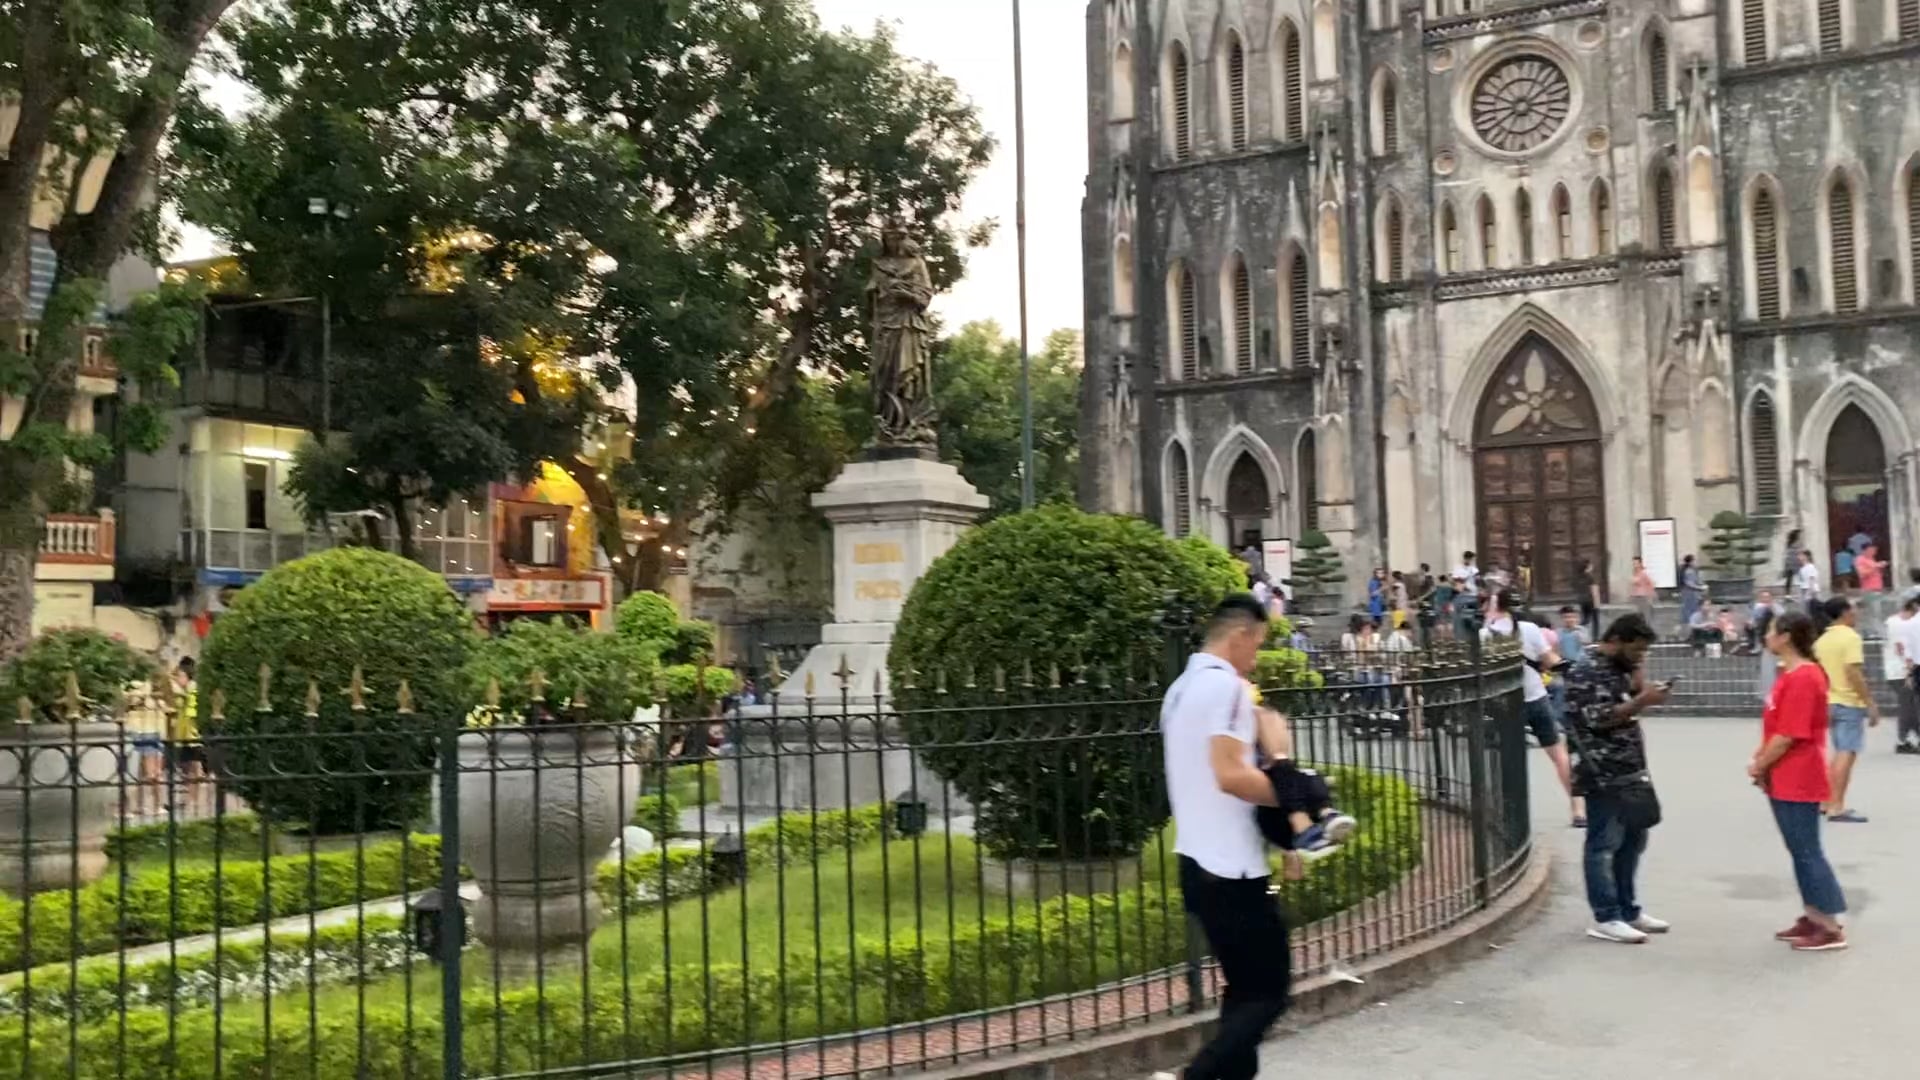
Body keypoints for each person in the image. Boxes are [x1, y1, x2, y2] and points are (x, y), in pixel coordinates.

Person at [1161, 594, 1297, 1080]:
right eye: (1256, 646)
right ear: (1240, 635)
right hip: (1231, 869)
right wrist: (1293, 790)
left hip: (1197, 862)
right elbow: (1230, 776)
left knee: (1243, 993)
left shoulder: (1179, 690)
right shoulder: (1227, 690)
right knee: (1268, 992)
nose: (1256, 658)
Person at [1561, 614, 1672, 944]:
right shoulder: (1586, 670)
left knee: (1634, 839)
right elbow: (1597, 718)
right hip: (1602, 769)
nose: (1641, 657)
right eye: (1637, 650)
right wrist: (1641, 701)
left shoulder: (1618, 668)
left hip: (1629, 766)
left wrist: (1639, 680)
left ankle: (1628, 909)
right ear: (1618, 640)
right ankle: (1605, 916)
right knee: (1604, 842)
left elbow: (1630, 698)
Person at [1751, 610, 1850, 951]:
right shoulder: (1789, 675)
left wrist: (1760, 763)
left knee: (1807, 850)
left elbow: (1789, 734)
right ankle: (1813, 913)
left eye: (1771, 631)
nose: (1766, 637)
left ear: (1787, 636)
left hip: (1798, 773)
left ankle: (1830, 924)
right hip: (1783, 773)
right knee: (1799, 849)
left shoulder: (1805, 677)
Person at [1483, 592, 1582, 827]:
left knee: (1509, 759)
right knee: (1559, 755)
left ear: (1495, 607)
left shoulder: (1484, 635)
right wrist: (1571, 667)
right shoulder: (1530, 629)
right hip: (1536, 697)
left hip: (1506, 702)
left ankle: (1509, 813)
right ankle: (1578, 810)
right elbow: (1550, 661)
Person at [1813, 597, 1878, 823]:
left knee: (1839, 751)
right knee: (1846, 753)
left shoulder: (1822, 640)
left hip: (1829, 700)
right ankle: (1836, 806)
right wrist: (1869, 701)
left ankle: (1826, 800)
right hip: (1848, 700)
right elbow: (1853, 672)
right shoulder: (1850, 638)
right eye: (1852, 608)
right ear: (1844, 612)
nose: (1856, 612)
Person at [1883, 594, 1920, 755]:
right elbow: (1902, 648)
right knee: (1909, 707)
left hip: (1897, 669)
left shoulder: (1892, 621)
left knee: (1910, 706)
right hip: (1901, 670)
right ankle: (1903, 740)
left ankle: (1908, 738)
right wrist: (1909, 671)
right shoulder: (1901, 624)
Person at [1574, 557, 1601, 638]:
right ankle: (1595, 637)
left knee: (1585, 619)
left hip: (1582, 601)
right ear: (1588, 566)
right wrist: (1597, 604)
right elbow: (1594, 591)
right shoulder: (1591, 577)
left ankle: (1578, 631)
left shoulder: (1579, 577)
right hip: (1591, 601)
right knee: (1595, 621)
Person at [1677, 554, 1703, 632]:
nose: (1696, 562)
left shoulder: (1688, 570)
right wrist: (1700, 588)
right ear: (1691, 562)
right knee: (1691, 609)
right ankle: (1690, 626)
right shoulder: (1689, 571)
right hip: (1690, 593)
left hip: (1687, 593)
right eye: (1694, 560)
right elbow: (1689, 583)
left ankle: (1687, 625)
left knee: (1687, 609)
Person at [1630, 556, 1657, 626]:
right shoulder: (1635, 573)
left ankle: (1646, 629)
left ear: (1640, 564)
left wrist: (1650, 596)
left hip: (1643, 597)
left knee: (1645, 615)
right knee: (1638, 615)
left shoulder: (1644, 573)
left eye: (1636, 563)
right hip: (1637, 597)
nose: (1634, 565)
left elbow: (1651, 583)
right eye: (1633, 563)